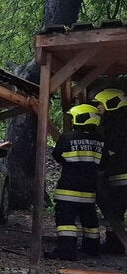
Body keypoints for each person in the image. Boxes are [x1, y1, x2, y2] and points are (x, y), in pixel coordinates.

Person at [49, 103, 105, 260]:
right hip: (89, 189)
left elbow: (57, 155)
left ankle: (66, 251)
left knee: (66, 221)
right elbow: (104, 162)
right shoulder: (100, 140)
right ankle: (92, 249)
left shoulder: (68, 137)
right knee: (90, 221)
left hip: (68, 187)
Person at [93, 87, 127, 254]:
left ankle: (115, 245)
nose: (99, 108)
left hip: (121, 176)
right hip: (120, 175)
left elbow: (110, 149)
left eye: (101, 104)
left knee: (115, 211)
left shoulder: (116, 123)